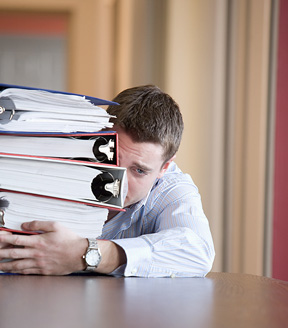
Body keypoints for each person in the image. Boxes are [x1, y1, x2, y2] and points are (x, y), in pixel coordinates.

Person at [0, 85, 215, 277]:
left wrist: (85, 253)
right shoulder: (59, 160)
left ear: (164, 167)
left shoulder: (171, 188)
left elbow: (197, 251)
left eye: (139, 171)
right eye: (112, 159)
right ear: (100, 133)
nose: (118, 181)